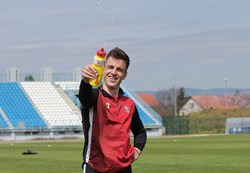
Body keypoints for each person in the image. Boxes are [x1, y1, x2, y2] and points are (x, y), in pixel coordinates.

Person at [78, 47, 147, 173]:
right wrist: (85, 81)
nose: (114, 72)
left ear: (125, 75)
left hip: (124, 169)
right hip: (95, 167)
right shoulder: (94, 97)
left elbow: (140, 132)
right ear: (104, 69)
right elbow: (84, 97)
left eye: (119, 69)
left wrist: (137, 150)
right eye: (110, 67)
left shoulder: (129, 103)